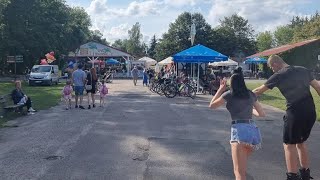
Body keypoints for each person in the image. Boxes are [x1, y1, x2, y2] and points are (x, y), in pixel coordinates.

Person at [253, 55, 320, 180]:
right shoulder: (303, 70)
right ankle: (305, 174)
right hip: (310, 112)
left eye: (271, 68)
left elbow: (258, 91)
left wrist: (241, 95)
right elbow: (318, 87)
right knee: (300, 142)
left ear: (275, 64)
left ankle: (292, 176)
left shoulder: (279, 75)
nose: (272, 70)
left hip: (295, 113)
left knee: (289, 144)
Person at [209, 67, 265, 180]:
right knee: (242, 169)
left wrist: (220, 89)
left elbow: (212, 105)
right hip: (253, 133)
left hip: (239, 132)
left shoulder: (229, 94)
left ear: (232, 81)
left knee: (239, 173)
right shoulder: (250, 94)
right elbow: (261, 114)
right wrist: (250, 110)